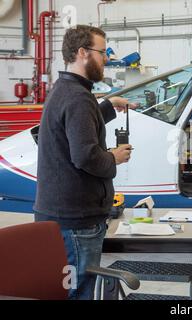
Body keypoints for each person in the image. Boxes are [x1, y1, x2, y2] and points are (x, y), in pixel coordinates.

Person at [33, 25, 135, 300]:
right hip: (76, 222)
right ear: (82, 53)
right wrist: (114, 157)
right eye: (102, 53)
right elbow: (85, 156)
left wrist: (107, 106)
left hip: (59, 216)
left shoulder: (65, 89)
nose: (106, 59)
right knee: (79, 293)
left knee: (66, 290)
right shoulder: (78, 98)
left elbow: (75, 129)